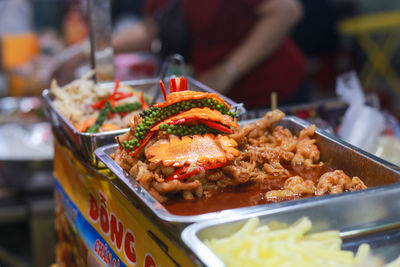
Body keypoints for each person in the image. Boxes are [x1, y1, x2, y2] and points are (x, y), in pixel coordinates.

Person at [113, 0, 306, 109]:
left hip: (268, 91)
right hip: (214, 96)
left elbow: (287, 10)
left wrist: (228, 70)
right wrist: (94, 49)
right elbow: (152, 30)